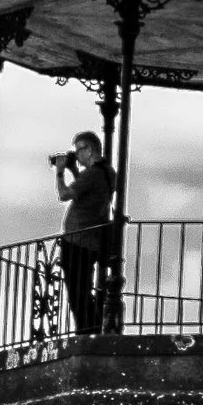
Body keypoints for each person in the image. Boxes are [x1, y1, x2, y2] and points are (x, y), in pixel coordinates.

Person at [55, 129, 117, 335]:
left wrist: (60, 172)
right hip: (90, 241)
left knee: (77, 294)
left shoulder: (92, 175)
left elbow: (64, 194)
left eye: (78, 150)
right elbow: (86, 193)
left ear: (89, 150)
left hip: (77, 241)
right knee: (84, 290)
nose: (77, 156)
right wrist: (75, 170)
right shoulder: (107, 173)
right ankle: (90, 329)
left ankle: (87, 331)